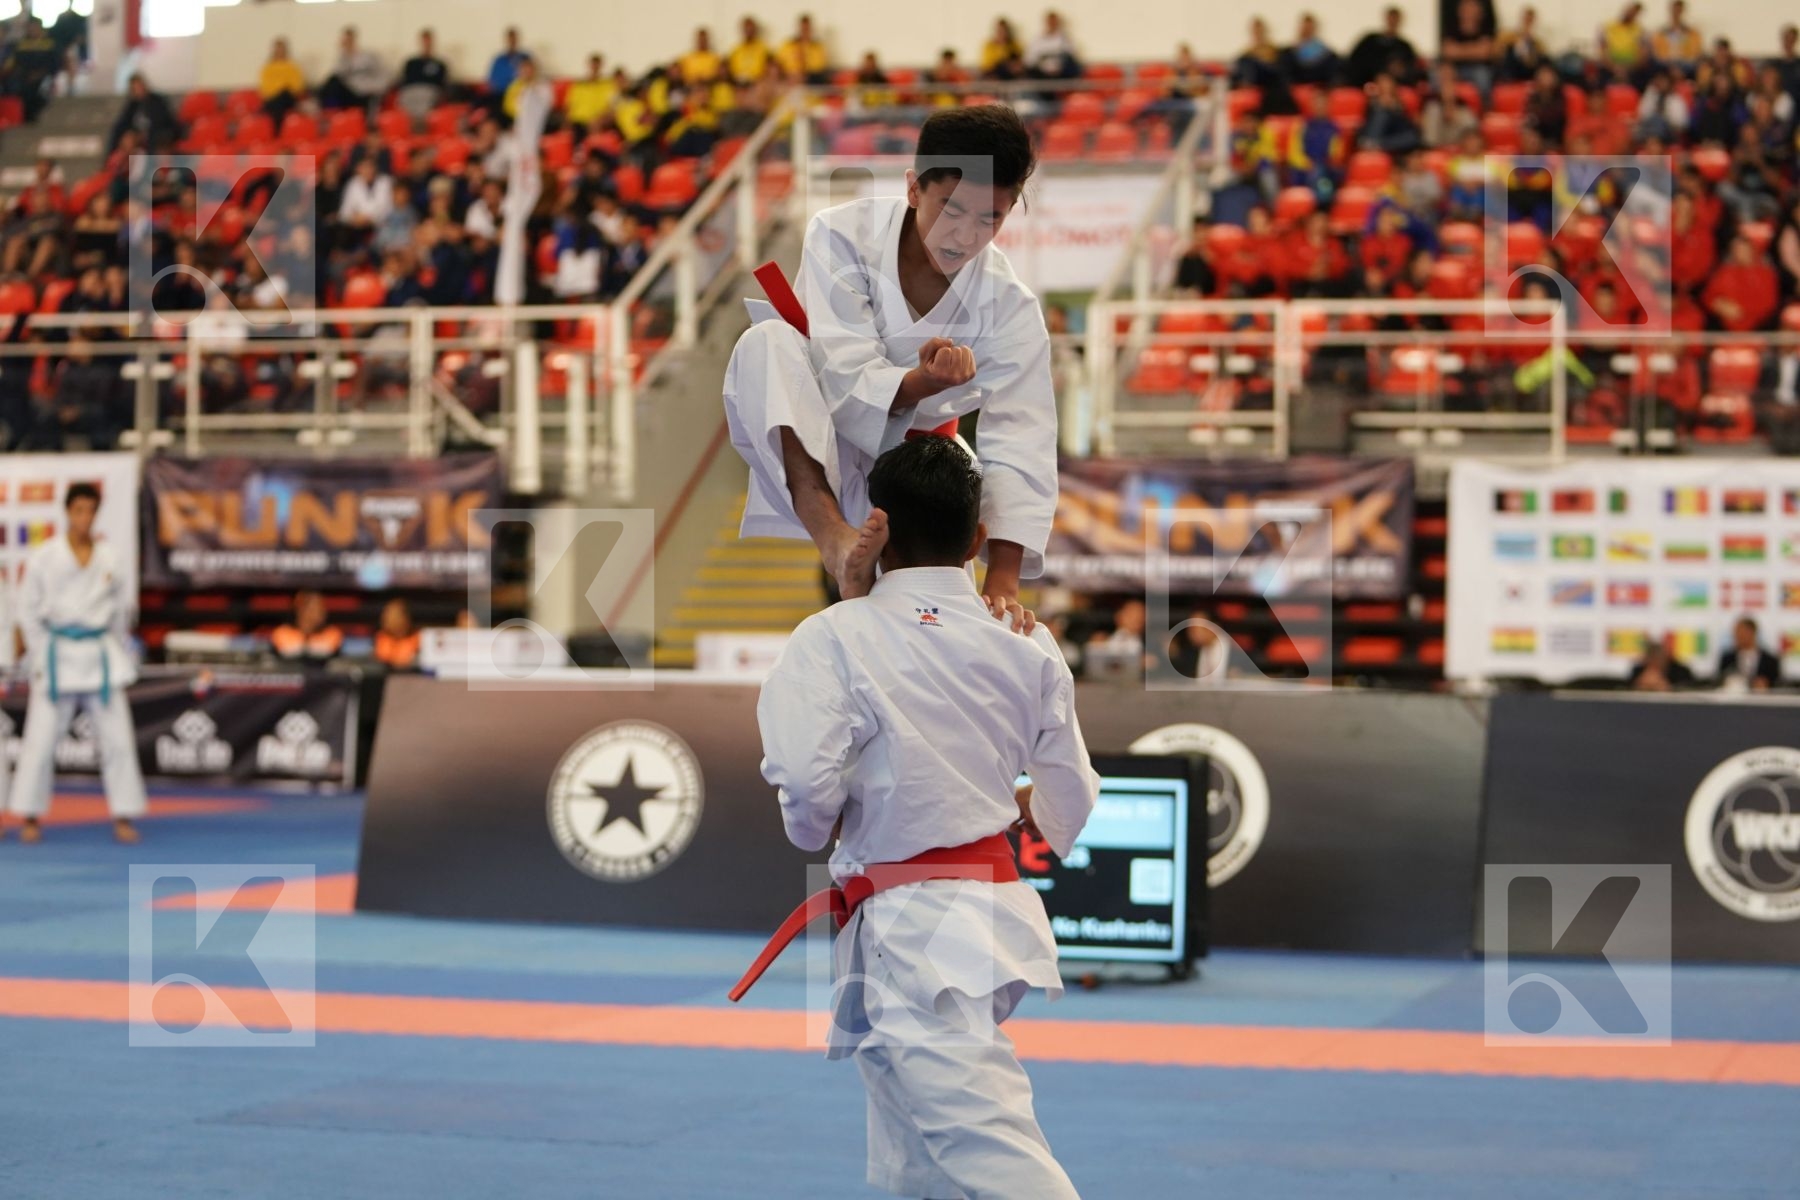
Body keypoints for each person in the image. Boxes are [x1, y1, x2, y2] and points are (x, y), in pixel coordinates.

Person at [744, 434, 1097, 1200]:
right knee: (913, 1147)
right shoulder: (1027, 640)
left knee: (985, 1142)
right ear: (977, 538)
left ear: (878, 528)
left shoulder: (836, 635)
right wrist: (1026, 809)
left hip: (918, 923)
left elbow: (804, 783)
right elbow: (1073, 793)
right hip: (989, 911)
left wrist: (817, 829)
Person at [721, 105, 1055, 617]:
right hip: (822, 438)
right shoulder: (842, 234)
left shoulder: (1009, 305)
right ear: (914, 188)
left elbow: (1021, 440)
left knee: (936, 622)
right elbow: (840, 370)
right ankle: (837, 544)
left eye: (992, 217)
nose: (966, 234)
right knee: (765, 343)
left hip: (925, 466)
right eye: (952, 209)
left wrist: (1004, 580)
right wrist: (921, 382)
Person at [6, 484, 145, 845]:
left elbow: (119, 614)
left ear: (96, 514)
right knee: (39, 742)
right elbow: (28, 612)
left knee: (118, 740)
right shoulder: (45, 556)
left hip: (99, 656)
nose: (84, 518)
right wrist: (39, 655)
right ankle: (31, 815)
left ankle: (123, 814)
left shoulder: (110, 557)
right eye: (78, 510)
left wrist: (114, 647)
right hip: (57, 656)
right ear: (67, 512)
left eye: (90, 511)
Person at [319, 26, 387, 111]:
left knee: (333, 84)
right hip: (348, 92)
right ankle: (330, 112)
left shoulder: (369, 56)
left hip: (364, 92)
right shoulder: (343, 58)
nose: (347, 42)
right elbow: (338, 74)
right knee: (331, 84)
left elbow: (382, 74)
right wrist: (346, 53)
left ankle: (329, 111)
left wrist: (374, 88)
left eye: (349, 40)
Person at [107, 73, 178, 152]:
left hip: (156, 135)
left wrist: (143, 135)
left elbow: (162, 123)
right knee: (126, 139)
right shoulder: (133, 105)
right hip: (137, 136)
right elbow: (122, 123)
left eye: (139, 87)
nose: (138, 90)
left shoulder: (157, 102)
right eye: (135, 88)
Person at [271, 590, 344, 660]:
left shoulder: (333, 633)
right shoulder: (282, 632)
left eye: (322, 607)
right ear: (301, 609)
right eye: (314, 608)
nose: (321, 612)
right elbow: (285, 651)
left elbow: (328, 650)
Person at [397, 28, 451, 121]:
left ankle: (420, 124)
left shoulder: (439, 64)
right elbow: (405, 80)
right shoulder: (411, 62)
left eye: (428, 41)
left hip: (429, 91)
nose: (426, 44)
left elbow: (441, 83)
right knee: (405, 98)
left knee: (425, 98)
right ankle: (411, 124)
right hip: (411, 90)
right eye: (424, 41)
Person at [1716, 616, 1780, 690]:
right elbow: (1720, 680)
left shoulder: (1770, 660)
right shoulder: (1727, 658)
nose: (1736, 636)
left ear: (1752, 632)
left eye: (1740, 632)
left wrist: (1765, 684)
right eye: (1735, 633)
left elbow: (1777, 685)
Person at [259, 37, 307, 130]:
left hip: (288, 97)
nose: (280, 51)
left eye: (282, 49)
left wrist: (280, 87)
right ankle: (277, 130)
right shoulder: (267, 68)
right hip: (273, 99)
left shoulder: (293, 67)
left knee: (283, 95)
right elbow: (265, 88)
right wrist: (280, 88)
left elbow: (297, 87)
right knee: (277, 103)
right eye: (278, 49)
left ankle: (275, 129)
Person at [1630, 638, 1694, 691]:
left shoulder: (1681, 673)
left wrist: (1668, 688)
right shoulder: (1638, 671)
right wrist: (1640, 685)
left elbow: (1692, 690)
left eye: (1659, 657)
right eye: (1652, 658)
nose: (1656, 662)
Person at [374, 598, 421, 669]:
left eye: (398, 616)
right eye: (390, 617)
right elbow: (383, 657)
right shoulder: (382, 638)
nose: (394, 621)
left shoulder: (418, 638)